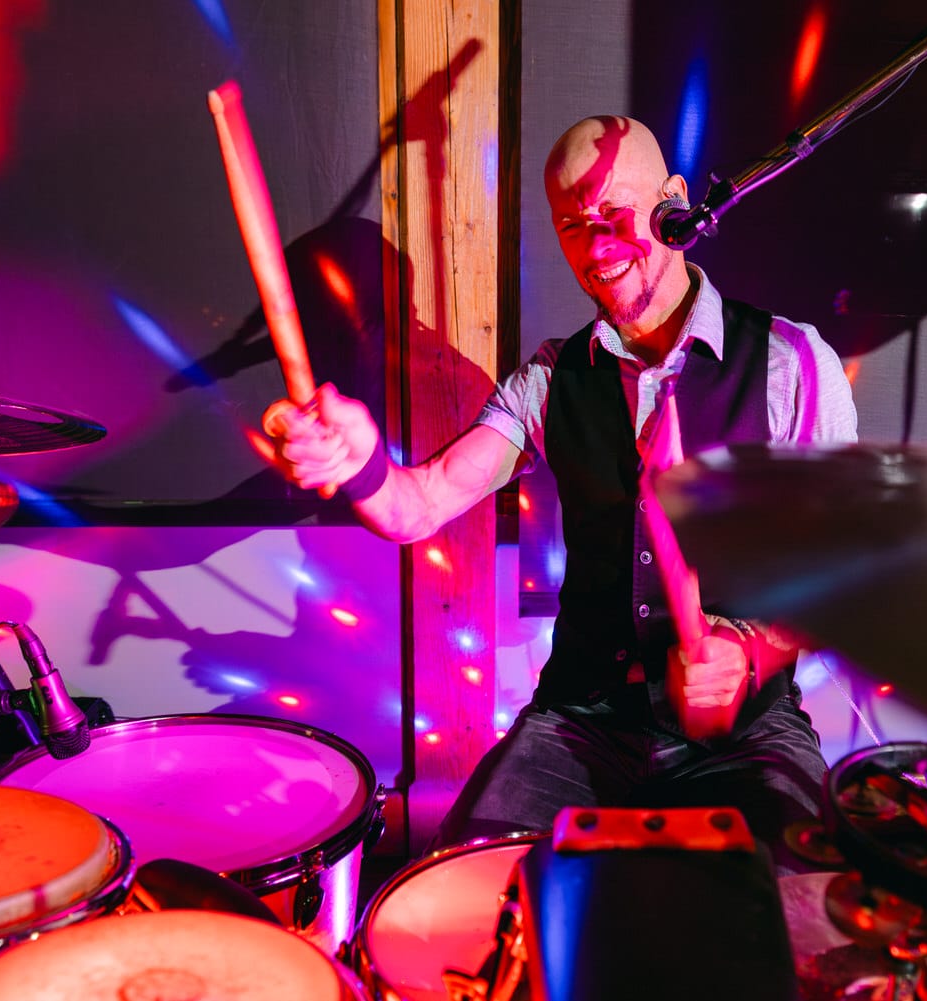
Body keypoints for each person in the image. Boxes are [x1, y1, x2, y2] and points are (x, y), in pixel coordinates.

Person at [262, 115, 857, 872]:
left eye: (616, 216)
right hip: (580, 724)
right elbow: (417, 507)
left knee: (800, 926)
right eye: (575, 226)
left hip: (747, 735)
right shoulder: (549, 380)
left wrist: (749, 650)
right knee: (461, 901)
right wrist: (361, 462)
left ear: (675, 202)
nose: (599, 249)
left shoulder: (793, 364)